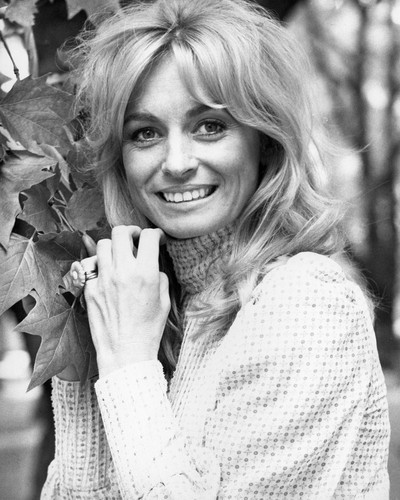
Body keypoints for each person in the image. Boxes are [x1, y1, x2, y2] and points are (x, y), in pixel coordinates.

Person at [40, 0, 391, 498]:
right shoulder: (155, 309)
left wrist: (127, 365)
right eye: (145, 133)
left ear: (264, 140)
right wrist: (89, 368)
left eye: (209, 126)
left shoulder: (308, 305)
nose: (176, 162)